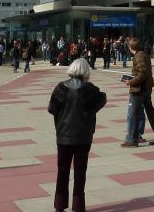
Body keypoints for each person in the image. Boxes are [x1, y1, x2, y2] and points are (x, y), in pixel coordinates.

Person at [48, 58, 106, 212]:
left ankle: (59, 205)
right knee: (80, 172)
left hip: (63, 135)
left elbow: (52, 108)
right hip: (83, 136)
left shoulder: (61, 87)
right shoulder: (90, 89)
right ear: (86, 71)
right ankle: (78, 206)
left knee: (62, 171)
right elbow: (102, 99)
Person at [121, 37, 154, 147]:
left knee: (133, 114)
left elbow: (142, 73)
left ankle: (132, 140)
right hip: (145, 88)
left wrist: (130, 82)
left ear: (130, 47)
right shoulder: (141, 54)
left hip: (139, 89)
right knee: (150, 112)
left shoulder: (139, 56)